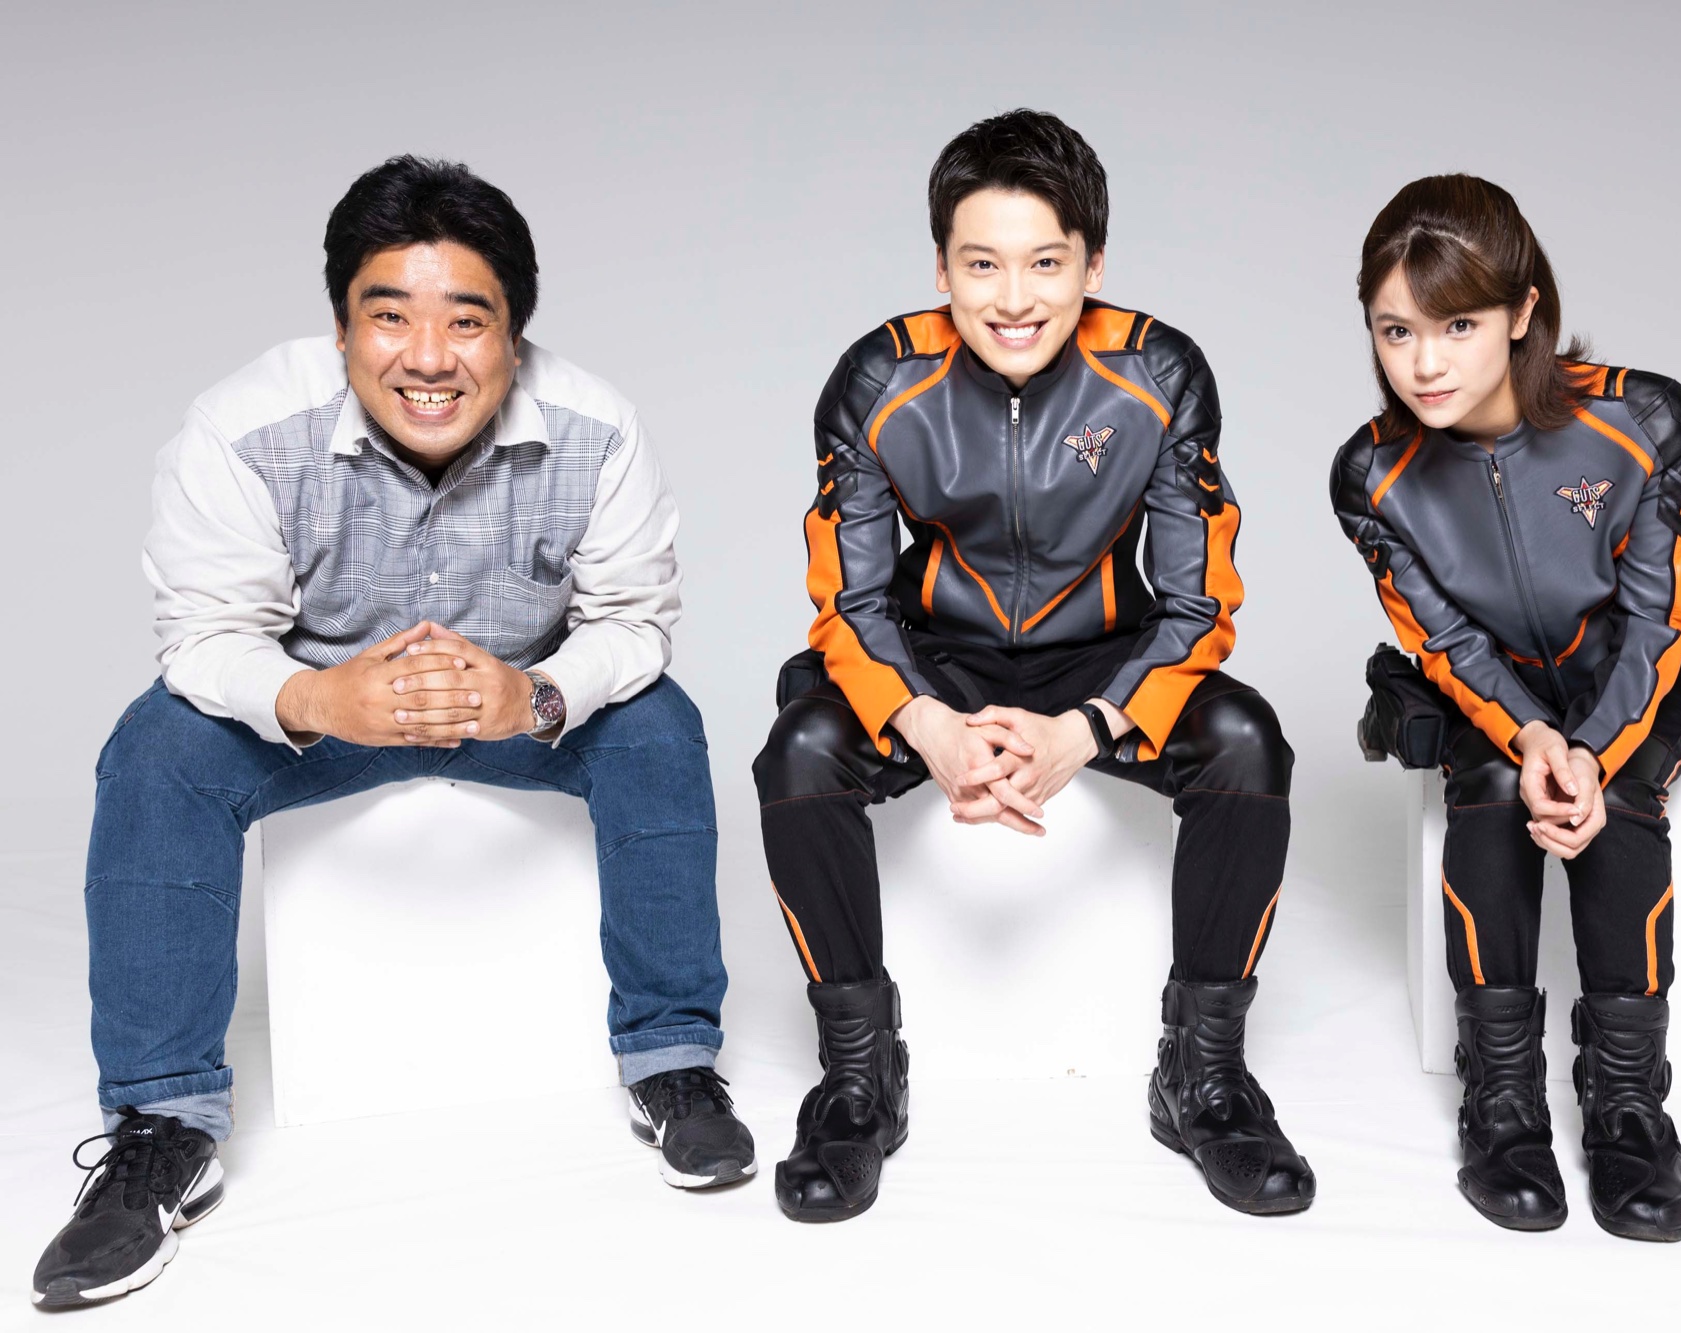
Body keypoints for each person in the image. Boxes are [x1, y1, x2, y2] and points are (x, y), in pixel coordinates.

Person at [32, 156, 753, 1310]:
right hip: (320, 714)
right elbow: (204, 638)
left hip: (512, 706)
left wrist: (537, 697)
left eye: (466, 321)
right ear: (340, 328)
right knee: (157, 747)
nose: (427, 357)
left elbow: (634, 621)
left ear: (513, 334)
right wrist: (318, 699)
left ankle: (673, 1060)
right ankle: (163, 1126)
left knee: (659, 727)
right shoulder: (241, 429)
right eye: (388, 317)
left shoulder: (598, 427)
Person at [752, 109, 1312, 1222]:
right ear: (941, 269)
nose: (1014, 299)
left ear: (1092, 266)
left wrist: (1087, 729)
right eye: (982, 264)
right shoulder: (877, 377)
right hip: (934, 657)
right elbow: (848, 602)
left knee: (1248, 743)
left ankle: (1203, 1075)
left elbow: (1197, 603)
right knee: (802, 748)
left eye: (1045, 264)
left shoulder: (1158, 369)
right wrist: (925, 722)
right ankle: (859, 1076)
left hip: (1099, 659)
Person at [1332, 174, 1681, 1242]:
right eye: (1396, 330)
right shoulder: (1370, 475)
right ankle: (1500, 1097)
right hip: (1495, 688)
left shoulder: (1644, 419)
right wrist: (1532, 733)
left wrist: (1588, 748)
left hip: (1637, 678)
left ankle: (1627, 1103)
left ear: (1521, 311)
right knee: (1494, 785)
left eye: (1457, 325)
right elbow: (1448, 644)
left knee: (1619, 802)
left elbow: (1659, 627)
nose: (1424, 363)